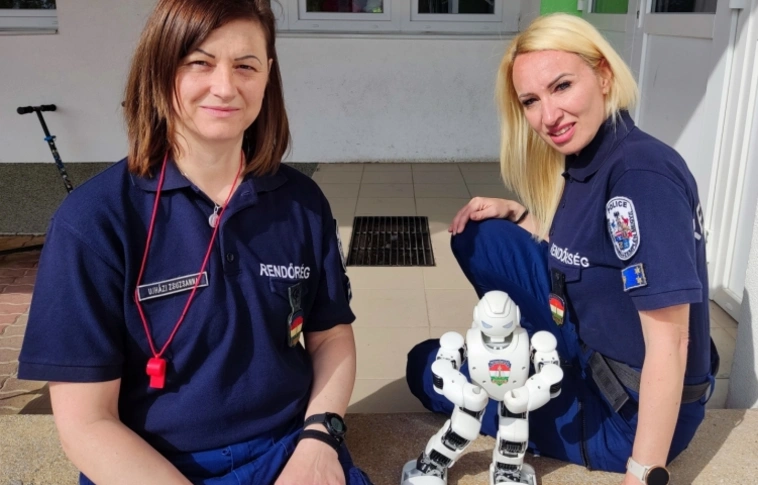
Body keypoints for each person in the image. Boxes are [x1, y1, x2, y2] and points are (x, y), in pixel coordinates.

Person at [17, 1, 371, 484]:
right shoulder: (93, 222)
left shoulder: (301, 202)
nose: (225, 87)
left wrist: (319, 440)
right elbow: (85, 423)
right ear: (160, 71)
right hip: (149, 466)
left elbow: (331, 336)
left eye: (245, 66)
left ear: (268, 76)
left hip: (290, 450)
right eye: (199, 63)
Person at [406, 13, 719, 485]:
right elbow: (590, 251)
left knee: (426, 366)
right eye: (531, 101)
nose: (548, 116)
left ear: (604, 76)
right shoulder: (595, 154)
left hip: (622, 410)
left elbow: (672, 342)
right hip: (589, 341)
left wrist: (642, 471)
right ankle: (540, 350)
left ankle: (541, 371)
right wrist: (518, 214)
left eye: (562, 87)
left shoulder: (640, 177)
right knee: (479, 236)